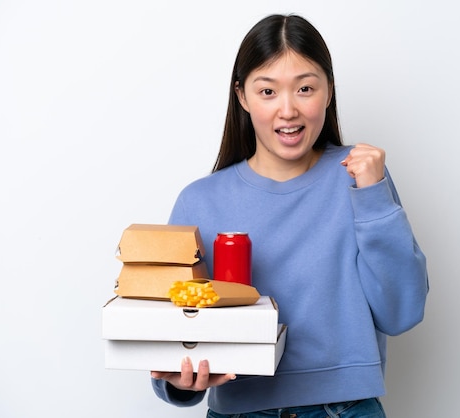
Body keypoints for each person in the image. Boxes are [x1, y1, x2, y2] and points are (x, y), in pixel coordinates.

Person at [151, 13, 428, 418]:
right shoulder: (199, 202)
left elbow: (401, 313)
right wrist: (177, 382)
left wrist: (373, 197)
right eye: (267, 91)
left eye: (304, 88)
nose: (288, 110)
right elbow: (173, 336)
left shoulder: (360, 180)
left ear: (329, 91)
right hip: (240, 410)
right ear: (242, 96)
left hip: (345, 409)